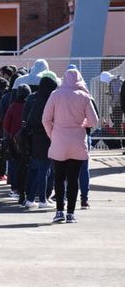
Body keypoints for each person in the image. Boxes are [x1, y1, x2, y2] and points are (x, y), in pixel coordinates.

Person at [43, 69, 98, 223]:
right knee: (73, 179)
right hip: (77, 142)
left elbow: (45, 119)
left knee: (59, 178)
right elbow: (94, 121)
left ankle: (59, 211)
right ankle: (70, 214)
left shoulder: (55, 95)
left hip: (59, 141)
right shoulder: (84, 96)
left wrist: (52, 134)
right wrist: (83, 124)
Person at [22, 73, 58, 209]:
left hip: (36, 139)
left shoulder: (36, 99)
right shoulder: (49, 101)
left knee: (40, 170)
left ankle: (31, 198)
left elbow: (30, 119)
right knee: (44, 170)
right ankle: (42, 200)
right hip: (47, 138)